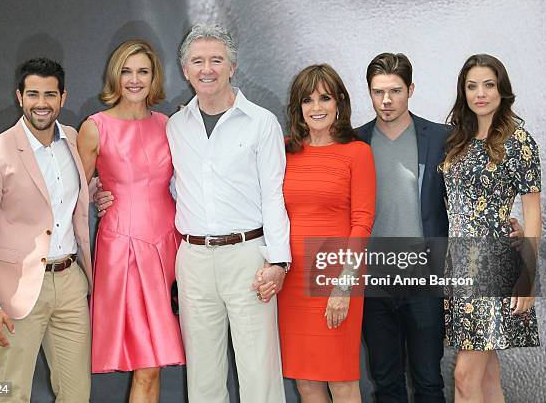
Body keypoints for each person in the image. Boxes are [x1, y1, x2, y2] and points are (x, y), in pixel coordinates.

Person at [168, 23, 290, 402]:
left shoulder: (262, 123)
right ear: (185, 70)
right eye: (198, 61)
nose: (207, 69)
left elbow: (273, 196)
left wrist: (279, 262)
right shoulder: (175, 126)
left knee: (259, 371)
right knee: (203, 375)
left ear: (232, 67)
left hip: (248, 258)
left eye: (216, 60)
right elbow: (171, 186)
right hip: (194, 259)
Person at [0, 58, 92, 402]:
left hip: (70, 285)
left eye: (50, 94)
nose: (42, 103)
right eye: (33, 94)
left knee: (77, 395)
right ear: (19, 97)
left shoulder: (74, 141)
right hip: (16, 291)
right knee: (13, 395)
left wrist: (99, 193)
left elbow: (71, 199)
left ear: (63, 98)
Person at [77, 39, 184, 402]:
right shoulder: (95, 127)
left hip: (170, 247)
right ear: (114, 76)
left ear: (154, 77)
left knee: (154, 364)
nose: (134, 80)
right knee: (147, 362)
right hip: (123, 251)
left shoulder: (168, 124)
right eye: (126, 71)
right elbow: (74, 189)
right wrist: (94, 194)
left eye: (142, 71)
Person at [441, 54, 541, 402]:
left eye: (488, 84)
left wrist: (527, 278)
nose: (480, 93)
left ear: (502, 90)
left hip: (495, 266)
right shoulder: (458, 141)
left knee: (464, 378)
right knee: (487, 378)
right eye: (472, 86)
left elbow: (532, 217)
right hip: (459, 267)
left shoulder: (519, 142)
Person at [276, 64, 375, 402]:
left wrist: (344, 285)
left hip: (335, 276)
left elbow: (362, 221)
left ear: (339, 103)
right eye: (307, 100)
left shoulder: (357, 152)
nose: (316, 107)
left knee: (342, 380)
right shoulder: (284, 151)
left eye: (324, 98)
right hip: (291, 280)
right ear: (298, 108)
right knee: (305, 382)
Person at [356, 52, 450, 403]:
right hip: (374, 281)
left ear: (410, 89)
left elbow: (466, 196)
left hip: (424, 278)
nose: (386, 100)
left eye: (395, 90)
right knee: (386, 381)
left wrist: (505, 222)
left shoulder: (441, 138)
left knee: (428, 381)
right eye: (378, 91)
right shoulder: (354, 142)